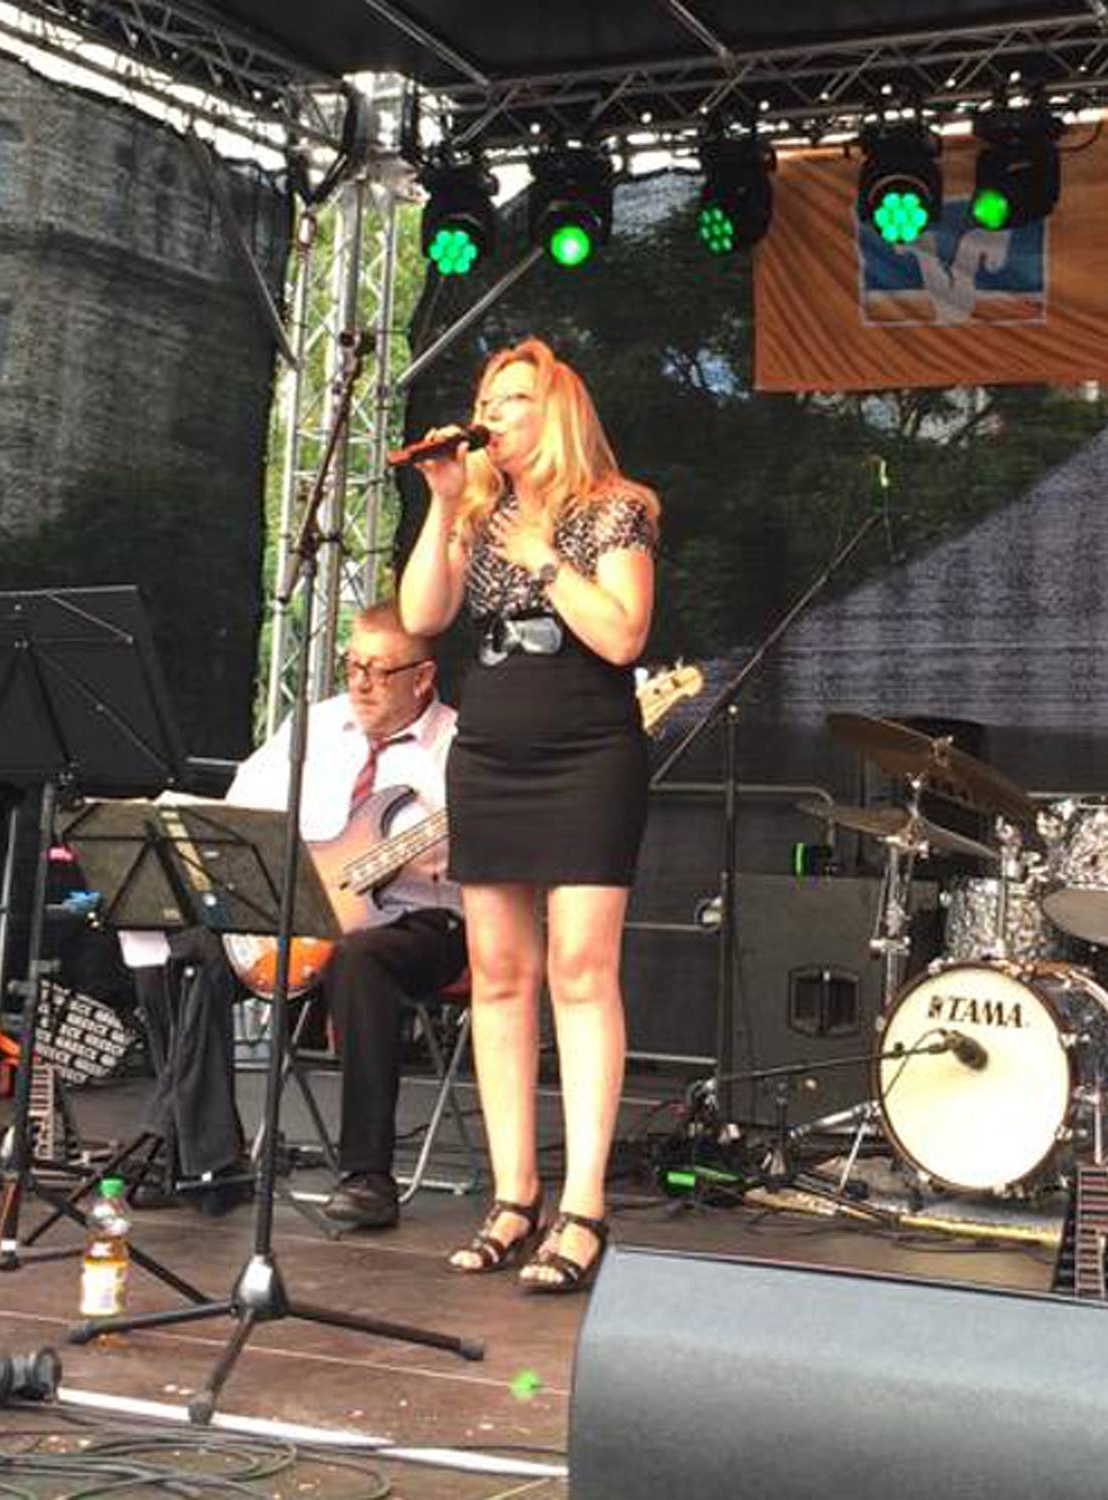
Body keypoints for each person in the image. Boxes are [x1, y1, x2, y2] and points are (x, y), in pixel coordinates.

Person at [399, 336, 659, 1294]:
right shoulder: (479, 511)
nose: (490, 416)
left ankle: (583, 1206)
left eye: (510, 399)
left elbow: (623, 636)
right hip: (490, 752)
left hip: (588, 751)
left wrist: (545, 560)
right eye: (486, 400)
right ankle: (513, 1196)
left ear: (555, 411)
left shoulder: (615, 507)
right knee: (499, 975)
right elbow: (422, 616)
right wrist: (442, 502)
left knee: (580, 970)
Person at [119, 602, 465, 1230]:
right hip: (298, 910)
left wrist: (421, 857)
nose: (360, 683)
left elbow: (497, 856)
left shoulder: (459, 748)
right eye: (352, 666)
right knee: (175, 945)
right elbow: (240, 817)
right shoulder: (316, 725)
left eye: (380, 671)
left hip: (417, 921)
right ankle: (202, 1153)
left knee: (360, 960)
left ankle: (367, 1174)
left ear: (423, 678)